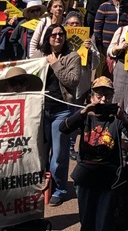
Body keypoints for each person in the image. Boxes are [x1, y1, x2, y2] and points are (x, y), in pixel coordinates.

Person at [59, 76, 128, 231]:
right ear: (91, 97)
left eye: (107, 96)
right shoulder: (86, 117)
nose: (103, 100)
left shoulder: (116, 118)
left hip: (109, 175)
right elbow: (63, 129)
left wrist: (125, 118)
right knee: (86, 220)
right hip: (86, 174)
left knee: (105, 222)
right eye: (99, 96)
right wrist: (83, 112)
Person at [41, 20, 100, 205]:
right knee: (41, 152)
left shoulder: (72, 56)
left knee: (58, 154)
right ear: (48, 38)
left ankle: (59, 189)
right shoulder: (39, 56)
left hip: (62, 111)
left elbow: (73, 81)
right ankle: (44, 186)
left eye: (61, 34)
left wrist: (56, 65)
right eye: (54, 34)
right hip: (42, 110)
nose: (58, 37)